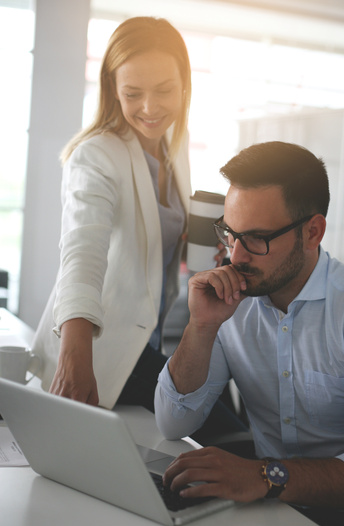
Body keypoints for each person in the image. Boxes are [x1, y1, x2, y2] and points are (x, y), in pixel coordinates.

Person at [155, 141, 344, 526]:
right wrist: (201, 326)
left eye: (256, 239)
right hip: (274, 513)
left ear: (312, 232)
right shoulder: (230, 301)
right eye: (230, 233)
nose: (235, 255)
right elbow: (173, 423)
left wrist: (262, 475)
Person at [31, 16, 227, 412]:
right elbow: (82, 252)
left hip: (151, 340)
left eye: (164, 90)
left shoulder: (174, 143)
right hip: (100, 348)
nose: (150, 108)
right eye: (133, 93)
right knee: (218, 428)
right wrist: (75, 351)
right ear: (112, 90)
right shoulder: (96, 155)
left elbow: (155, 242)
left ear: (184, 85)